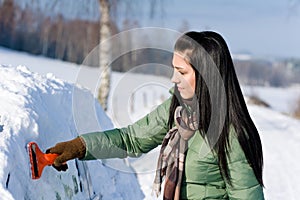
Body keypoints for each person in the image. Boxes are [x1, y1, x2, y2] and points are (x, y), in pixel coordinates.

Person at [46, 31, 264, 199]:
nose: (173, 79)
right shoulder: (178, 111)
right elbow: (131, 140)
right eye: (173, 69)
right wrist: (79, 147)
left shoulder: (232, 134)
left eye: (181, 72)